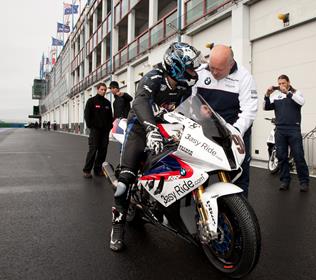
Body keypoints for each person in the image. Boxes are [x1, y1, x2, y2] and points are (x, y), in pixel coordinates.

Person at [110, 42, 202, 252]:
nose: (193, 71)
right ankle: (117, 225)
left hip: (168, 128)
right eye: (189, 66)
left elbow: (189, 109)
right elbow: (140, 102)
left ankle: (173, 210)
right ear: (176, 65)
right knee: (125, 182)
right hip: (140, 128)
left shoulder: (184, 84)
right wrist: (151, 128)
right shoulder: (153, 77)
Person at [192, 44, 258, 197]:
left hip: (235, 132)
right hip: (207, 130)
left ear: (230, 64)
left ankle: (239, 218)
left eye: (219, 69)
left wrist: (234, 132)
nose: (213, 72)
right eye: (212, 67)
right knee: (201, 176)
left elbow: (249, 110)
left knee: (239, 176)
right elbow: (189, 99)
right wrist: (198, 112)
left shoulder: (244, 77)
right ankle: (203, 216)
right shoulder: (201, 72)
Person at [264, 75, 310, 192]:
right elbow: (266, 107)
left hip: (293, 129)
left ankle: (304, 182)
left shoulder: (296, 93)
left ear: (288, 82)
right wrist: (267, 95)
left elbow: (301, 102)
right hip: (280, 130)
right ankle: (285, 181)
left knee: (298, 156)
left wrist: (288, 93)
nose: (281, 86)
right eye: (279, 84)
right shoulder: (276, 96)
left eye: (283, 83)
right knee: (281, 157)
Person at [82, 83, 113, 178]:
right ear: (97, 89)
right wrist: (91, 126)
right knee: (93, 149)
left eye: (105, 90)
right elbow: (87, 115)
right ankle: (87, 170)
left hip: (105, 131)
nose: (103, 91)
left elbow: (110, 117)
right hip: (95, 131)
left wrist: (109, 127)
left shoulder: (107, 103)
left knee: (103, 150)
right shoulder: (91, 101)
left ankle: (98, 170)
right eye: (102, 89)